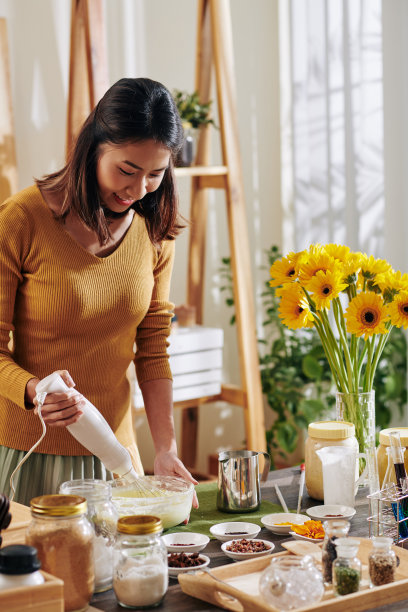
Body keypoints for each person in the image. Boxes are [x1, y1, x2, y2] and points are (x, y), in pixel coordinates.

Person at [0, 77, 198, 507]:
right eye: (126, 170)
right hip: (26, 451)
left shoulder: (155, 232)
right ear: (92, 147)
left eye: (155, 175)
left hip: (116, 458)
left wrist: (165, 448)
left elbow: (153, 346)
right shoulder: (20, 221)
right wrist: (33, 391)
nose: (137, 189)